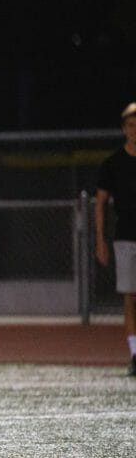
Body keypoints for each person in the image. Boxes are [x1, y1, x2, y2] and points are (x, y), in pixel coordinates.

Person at [95, 102, 136, 376]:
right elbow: (100, 203)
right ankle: (135, 355)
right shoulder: (113, 163)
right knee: (130, 297)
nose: (135, 130)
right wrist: (100, 240)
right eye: (131, 125)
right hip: (126, 237)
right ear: (124, 129)